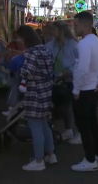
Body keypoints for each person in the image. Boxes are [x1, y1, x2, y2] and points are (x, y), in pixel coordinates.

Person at [17, 25, 57, 171]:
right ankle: (51, 154)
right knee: (44, 124)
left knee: (35, 126)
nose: (18, 40)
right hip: (46, 91)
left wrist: (21, 70)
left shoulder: (31, 53)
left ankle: (39, 160)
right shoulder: (45, 49)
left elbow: (27, 72)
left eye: (19, 38)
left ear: (24, 38)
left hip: (34, 93)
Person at [71, 12, 98, 172]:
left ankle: (90, 159)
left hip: (84, 91)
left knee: (84, 126)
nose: (74, 27)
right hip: (93, 89)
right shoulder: (97, 42)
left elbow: (82, 69)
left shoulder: (84, 44)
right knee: (93, 124)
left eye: (75, 25)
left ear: (84, 25)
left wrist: (76, 89)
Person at [45, 21, 81, 144]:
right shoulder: (51, 44)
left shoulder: (73, 44)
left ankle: (78, 132)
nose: (52, 33)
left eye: (54, 30)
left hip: (71, 79)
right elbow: (46, 55)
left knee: (74, 107)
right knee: (62, 106)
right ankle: (67, 129)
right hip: (57, 79)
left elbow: (79, 62)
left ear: (61, 31)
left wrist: (69, 71)